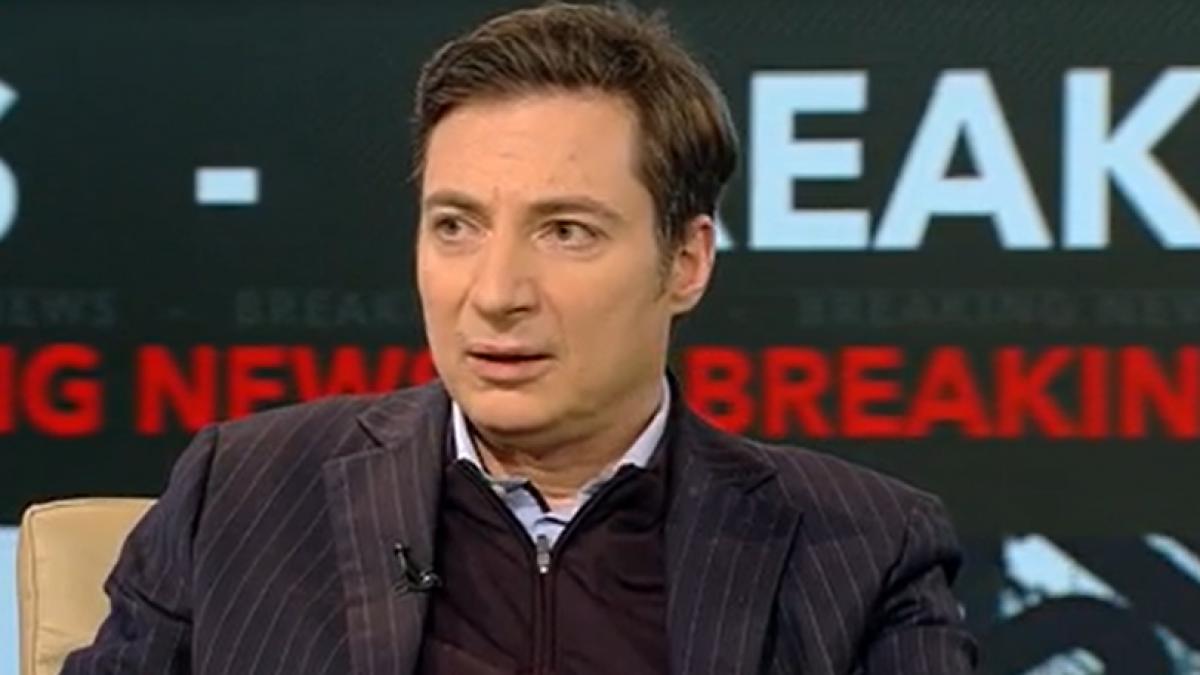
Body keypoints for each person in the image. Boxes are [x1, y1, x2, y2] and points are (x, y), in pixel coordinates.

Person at [63, 3, 978, 673]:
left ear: (685, 261)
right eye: (455, 226)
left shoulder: (862, 550)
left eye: (566, 231)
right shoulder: (242, 493)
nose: (496, 294)